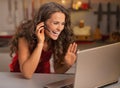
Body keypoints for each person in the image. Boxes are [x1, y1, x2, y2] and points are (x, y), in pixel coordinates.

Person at [9, 2, 77, 79]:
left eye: (62, 24)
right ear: (42, 23)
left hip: (43, 75)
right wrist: (40, 43)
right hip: (20, 78)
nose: (60, 28)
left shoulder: (58, 39)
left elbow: (58, 71)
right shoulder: (25, 36)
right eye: (55, 23)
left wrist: (67, 65)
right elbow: (27, 74)